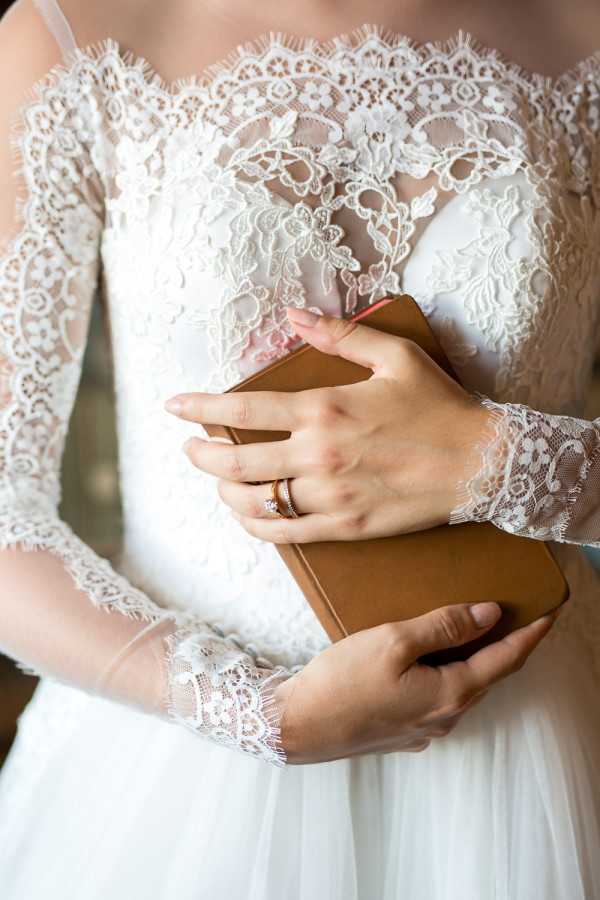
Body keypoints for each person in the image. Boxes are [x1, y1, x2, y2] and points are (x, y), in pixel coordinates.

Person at [0, 0, 599, 896]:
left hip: (529, 746)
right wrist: (255, 714)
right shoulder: (70, 39)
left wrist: (503, 459)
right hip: (178, 765)